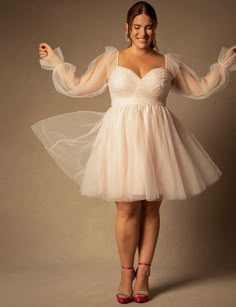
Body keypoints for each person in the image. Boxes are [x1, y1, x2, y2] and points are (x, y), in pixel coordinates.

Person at [32, 1, 236, 304]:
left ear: (155, 29)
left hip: (158, 139)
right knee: (127, 208)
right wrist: (57, 62)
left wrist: (223, 65)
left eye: (149, 26)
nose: (143, 32)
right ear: (126, 28)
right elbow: (78, 86)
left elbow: (201, 88)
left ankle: (144, 274)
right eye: (137, 27)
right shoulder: (112, 59)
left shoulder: (167, 62)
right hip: (121, 140)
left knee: (151, 208)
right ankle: (126, 274)